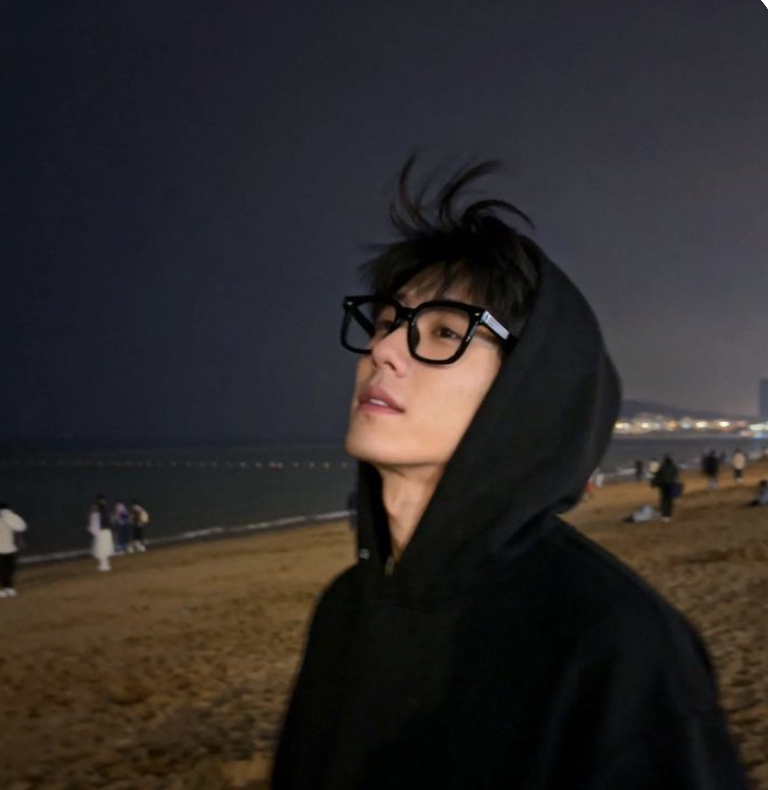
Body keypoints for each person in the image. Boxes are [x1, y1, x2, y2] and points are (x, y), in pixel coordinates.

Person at [272, 159, 748, 788]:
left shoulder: (614, 642)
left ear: (526, 389)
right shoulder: (344, 611)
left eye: (443, 331)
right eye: (386, 322)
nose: (383, 350)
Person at [0, 503, 27, 597]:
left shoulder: (10, 518)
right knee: (8, 570)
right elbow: (21, 527)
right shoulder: (10, 518)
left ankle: (6, 588)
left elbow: (20, 528)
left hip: (8, 549)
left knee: (6, 570)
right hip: (9, 549)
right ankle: (8, 588)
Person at [652, 454, 681, 522]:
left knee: (664, 500)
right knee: (670, 500)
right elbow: (676, 476)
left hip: (663, 486)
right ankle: (669, 515)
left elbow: (657, 476)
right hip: (671, 485)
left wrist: (654, 484)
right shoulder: (673, 467)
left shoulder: (662, 467)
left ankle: (664, 516)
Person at [90, 494, 114, 571]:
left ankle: (104, 565)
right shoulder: (106, 509)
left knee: (101, 549)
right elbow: (110, 521)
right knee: (104, 549)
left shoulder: (97, 510)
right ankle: (104, 564)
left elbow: (94, 521)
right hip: (106, 531)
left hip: (101, 531)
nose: (102, 501)